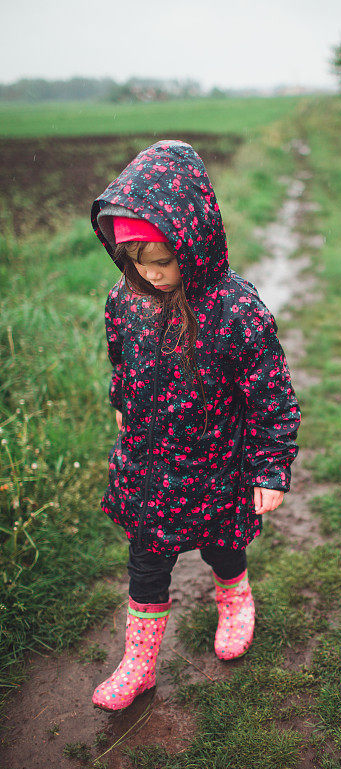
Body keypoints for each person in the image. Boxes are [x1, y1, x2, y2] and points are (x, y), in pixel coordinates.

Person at [89, 140, 301, 711]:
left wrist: (270, 466)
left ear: (195, 242)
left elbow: (270, 394)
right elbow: (122, 359)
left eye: (164, 261)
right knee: (146, 563)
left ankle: (235, 600)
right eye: (139, 263)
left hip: (217, 465)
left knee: (222, 548)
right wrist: (121, 398)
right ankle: (138, 663)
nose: (152, 275)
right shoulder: (126, 301)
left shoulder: (234, 310)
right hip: (150, 467)